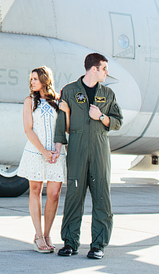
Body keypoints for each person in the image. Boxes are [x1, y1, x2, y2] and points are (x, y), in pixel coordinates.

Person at [54, 52, 122, 260]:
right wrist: (58, 147)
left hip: (100, 148)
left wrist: (101, 117)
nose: (107, 73)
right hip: (76, 147)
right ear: (94, 68)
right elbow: (61, 122)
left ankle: (98, 245)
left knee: (102, 196)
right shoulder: (69, 91)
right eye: (104, 69)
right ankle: (70, 242)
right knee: (74, 196)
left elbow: (118, 122)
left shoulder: (108, 94)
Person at [15, 66, 65, 253]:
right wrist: (43, 151)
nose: (32, 82)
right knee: (35, 190)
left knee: (54, 194)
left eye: (35, 78)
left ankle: (47, 233)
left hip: (56, 153)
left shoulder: (58, 101)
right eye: (31, 79)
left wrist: (56, 149)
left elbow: (64, 128)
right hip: (36, 151)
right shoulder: (29, 101)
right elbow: (28, 129)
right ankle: (38, 235)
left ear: (45, 79)